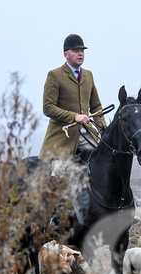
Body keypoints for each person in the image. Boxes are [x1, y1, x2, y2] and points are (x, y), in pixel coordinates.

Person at [39, 33, 107, 173]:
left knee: (104, 157)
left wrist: (102, 132)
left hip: (85, 132)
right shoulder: (55, 75)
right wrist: (74, 116)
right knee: (58, 178)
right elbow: (48, 108)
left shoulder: (89, 75)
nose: (80, 54)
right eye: (76, 51)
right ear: (66, 54)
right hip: (62, 136)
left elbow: (96, 107)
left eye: (82, 51)